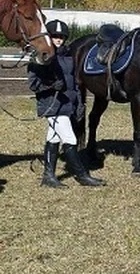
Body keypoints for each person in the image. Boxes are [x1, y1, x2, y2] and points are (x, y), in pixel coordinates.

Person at [28, 20, 104, 188]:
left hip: (67, 104)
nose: (59, 39)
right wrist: (50, 86)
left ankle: (48, 176)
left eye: (61, 36)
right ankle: (82, 175)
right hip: (52, 103)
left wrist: (78, 102)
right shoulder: (42, 57)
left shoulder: (67, 57)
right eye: (55, 36)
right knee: (69, 139)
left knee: (53, 138)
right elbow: (33, 84)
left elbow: (74, 83)